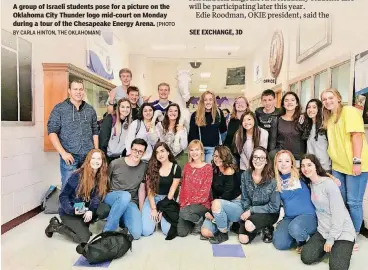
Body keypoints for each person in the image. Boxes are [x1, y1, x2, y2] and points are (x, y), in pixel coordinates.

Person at [321, 88, 368, 250]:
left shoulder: (349, 111)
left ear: (339, 98)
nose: (327, 101)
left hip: (354, 164)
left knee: (354, 202)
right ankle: (344, 230)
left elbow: (356, 135)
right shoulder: (330, 117)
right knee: (340, 201)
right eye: (324, 99)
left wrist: (357, 161)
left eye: (330, 97)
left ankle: (352, 235)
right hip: (338, 166)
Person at [300, 154, 355, 270]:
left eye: (309, 165)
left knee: (337, 267)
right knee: (306, 257)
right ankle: (327, 249)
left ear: (316, 166)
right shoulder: (310, 184)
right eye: (303, 166)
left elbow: (339, 214)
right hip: (323, 230)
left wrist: (331, 239)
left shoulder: (328, 184)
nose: (306, 168)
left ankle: (345, 246)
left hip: (342, 231)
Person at [45, 149, 108, 243]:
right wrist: (71, 210)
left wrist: (90, 211)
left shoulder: (101, 176)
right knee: (84, 239)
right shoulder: (78, 175)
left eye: (99, 159)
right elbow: (63, 196)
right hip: (70, 210)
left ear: (102, 161)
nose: (96, 161)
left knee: (104, 209)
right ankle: (56, 226)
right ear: (88, 160)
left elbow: (96, 198)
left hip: (83, 208)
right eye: (93, 158)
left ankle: (82, 224)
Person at [47, 79, 99, 188]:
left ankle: (85, 206)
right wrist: (63, 153)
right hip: (70, 156)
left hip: (88, 156)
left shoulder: (90, 110)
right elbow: (52, 132)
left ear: (83, 91)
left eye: (81, 89)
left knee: (88, 187)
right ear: (69, 91)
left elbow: (95, 132)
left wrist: (96, 152)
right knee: (68, 188)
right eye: (75, 89)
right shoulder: (59, 109)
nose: (78, 92)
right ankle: (67, 206)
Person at [101, 139, 148, 240]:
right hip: (113, 196)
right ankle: (107, 233)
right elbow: (105, 182)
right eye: (135, 150)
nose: (137, 153)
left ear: (144, 153)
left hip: (131, 201)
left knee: (136, 234)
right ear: (130, 149)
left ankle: (121, 218)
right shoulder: (116, 163)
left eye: (140, 151)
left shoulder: (144, 167)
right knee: (125, 195)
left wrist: (141, 209)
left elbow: (141, 189)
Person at [272, 150, 317, 253]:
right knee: (279, 244)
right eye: (280, 161)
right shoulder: (275, 182)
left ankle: (303, 239)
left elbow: (319, 173)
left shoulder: (301, 174)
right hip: (289, 218)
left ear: (292, 162)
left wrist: (332, 178)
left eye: (287, 161)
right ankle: (296, 234)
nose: (283, 164)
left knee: (295, 228)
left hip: (308, 216)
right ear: (276, 164)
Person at [238, 147, 280, 245]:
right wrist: (248, 211)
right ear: (252, 159)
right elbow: (245, 199)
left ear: (266, 161)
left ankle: (267, 226)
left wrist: (251, 211)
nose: (258, 160)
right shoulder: (245, 175)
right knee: (243, 239)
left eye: (262, 158)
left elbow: (274, 207)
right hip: (251, 212)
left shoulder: (273, 179)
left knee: (249, 225)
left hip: (270, 213)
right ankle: (257, 227)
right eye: (255, 157)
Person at [200, 146, 242, 244]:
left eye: (219, 156)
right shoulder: (215, 170)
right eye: (215, 156)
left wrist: (211, 211)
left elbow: (227, 195)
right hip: (219, 205)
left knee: (216, 204)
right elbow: (214, 193)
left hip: (235, 205)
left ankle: (223, 233)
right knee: (205, 232)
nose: (216, 158)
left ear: (226, 157)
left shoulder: (230, 170)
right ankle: (225, 222)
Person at [142, 142, 182, 236]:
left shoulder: (176, 168)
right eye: (157, 152)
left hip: (167, 200)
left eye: (162, 151)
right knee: (146, 231)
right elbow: (150, 190)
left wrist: (161, 210)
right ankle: (153, 220)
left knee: (167, 231)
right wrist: (154, 209)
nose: (160, 154)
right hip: (152, 199)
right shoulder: (151, 167)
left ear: (168, 152)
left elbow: (171, 193)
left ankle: (160, 221)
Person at [178, 140, 213, 237]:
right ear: (189, 152)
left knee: (184, 212)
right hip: (187, 203)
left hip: (202, 204)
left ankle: (200, 219)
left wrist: (190, 202)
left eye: (197, 149)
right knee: (181, 233)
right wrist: (182, 203)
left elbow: (205, 192)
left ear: (202, 151)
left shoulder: (208, 168)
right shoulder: (187, 166)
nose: (194, 152)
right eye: (191, 150)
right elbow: (184, 187)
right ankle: (194, 221)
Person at [188, 90, 227, 163]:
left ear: (214, 101)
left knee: (208, 170)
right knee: (198, 171)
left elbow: (223, 131)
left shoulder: (218, 113)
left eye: (210, 99)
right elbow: (192, 134)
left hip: (213, 149)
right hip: (199, 149)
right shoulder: (195, 115)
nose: (208, 102)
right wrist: (192, 150)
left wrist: (219, 147)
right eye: (205, 100)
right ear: (202, 102)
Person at [269, 91, 306, 165]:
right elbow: (272, 143)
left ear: (297, 103)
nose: (289, 102)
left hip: (298, 159)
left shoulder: (303, 119)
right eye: (286, 100)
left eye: (292, 100)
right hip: (282, 159)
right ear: (283, 104)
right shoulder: (276, 120)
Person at [152, 103, 188, 168]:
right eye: (170, 111)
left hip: (178, 158)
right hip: (162, 159)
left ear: (178, 113)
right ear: (167, 112)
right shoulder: (160, 125)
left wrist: (180, 133)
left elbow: (184, 146)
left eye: (175, 111)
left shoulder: (182, 127)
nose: (173, 113)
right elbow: (154, 141)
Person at [99, 98, 132, 163]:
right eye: (122, 107)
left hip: (120, 158)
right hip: (107, 157)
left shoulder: (129, 122)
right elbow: (103, 142)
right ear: (118, 108)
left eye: (128, 107)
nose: (125, 109)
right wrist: (104, 160)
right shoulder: (110, 119)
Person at [301, 99, 331, 172]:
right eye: (309, 107)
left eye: (314, 107)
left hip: (324, 167)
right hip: (311, 167)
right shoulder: (307, 126)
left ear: (319, 109)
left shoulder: (325, 125)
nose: (311, 110)